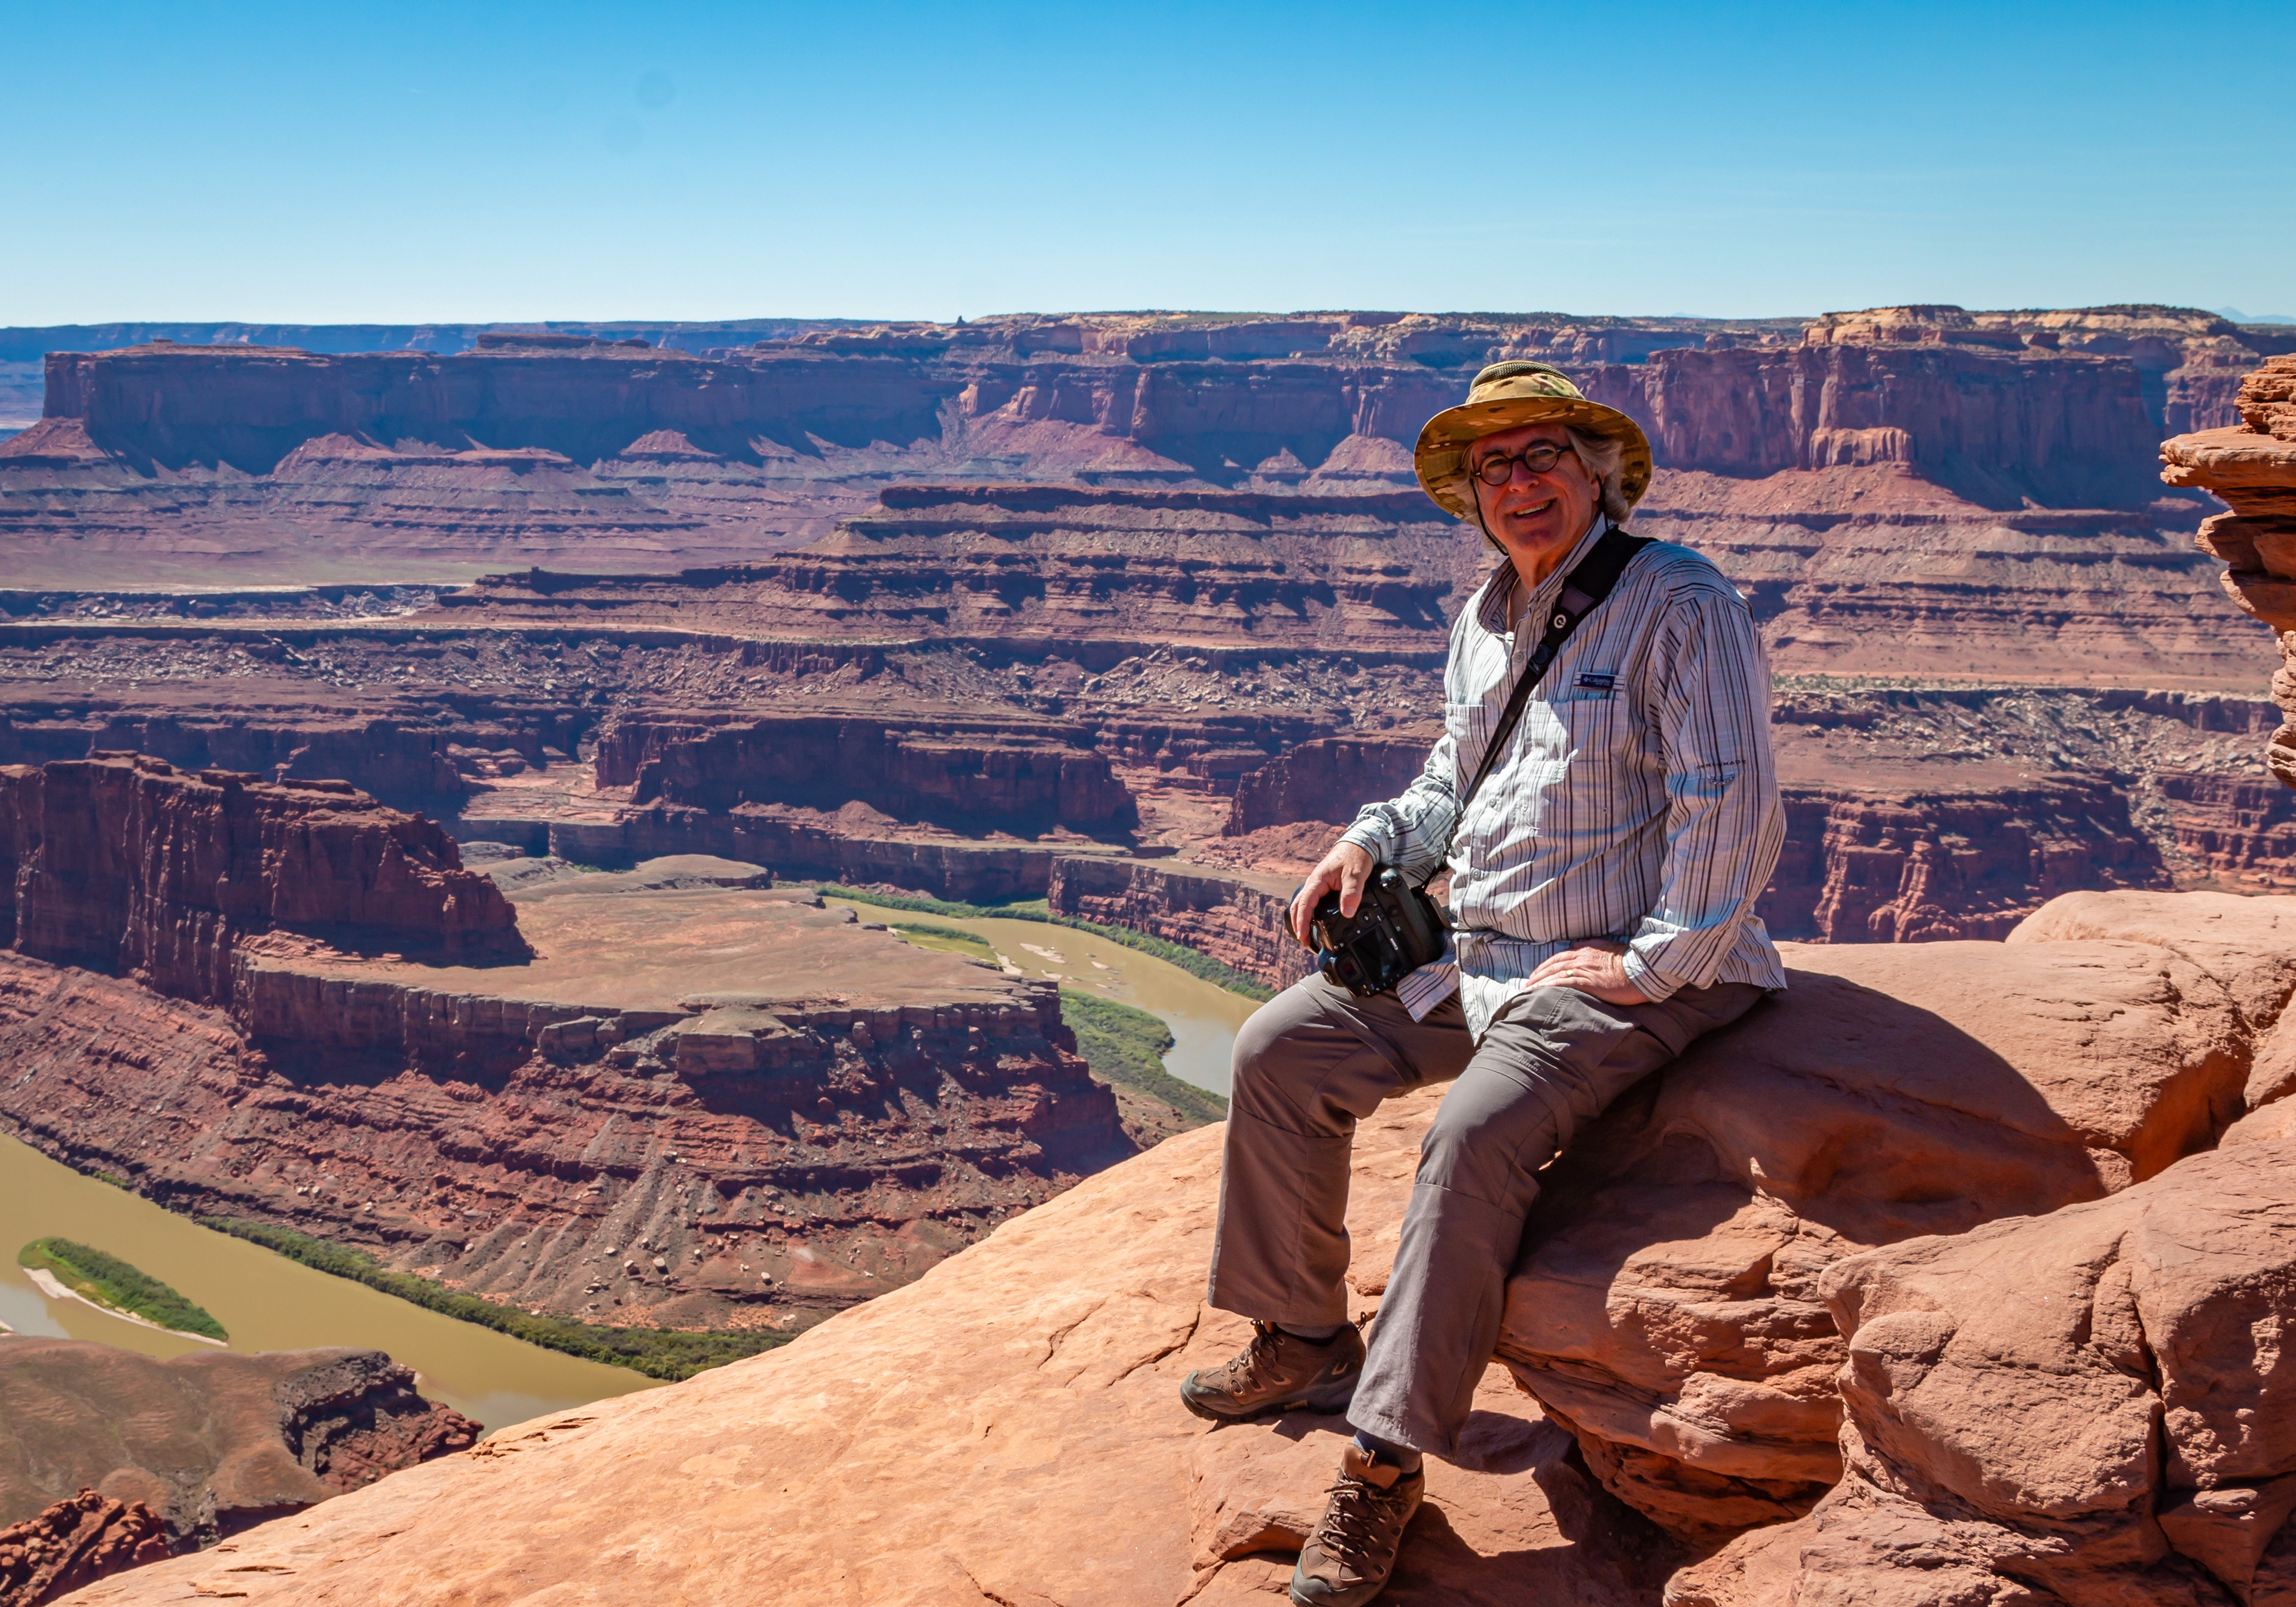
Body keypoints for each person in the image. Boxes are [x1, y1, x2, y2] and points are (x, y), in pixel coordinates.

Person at [1178, 362, 1786, 1606]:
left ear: (1598, 474)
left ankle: (1382, 1461)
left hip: (1628, 969)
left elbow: (1731, 799)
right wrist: (1369, 840)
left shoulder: (1682, 602)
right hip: (1489, 951)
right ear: (1471, 494)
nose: (1519, 482)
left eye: (1543, 454)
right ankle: (1304, 1336)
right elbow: (1455, 780)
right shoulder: (1486, 616)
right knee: (1281, 1050)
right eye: (1494, 465)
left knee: (1466, 1138)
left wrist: (1653, 962)